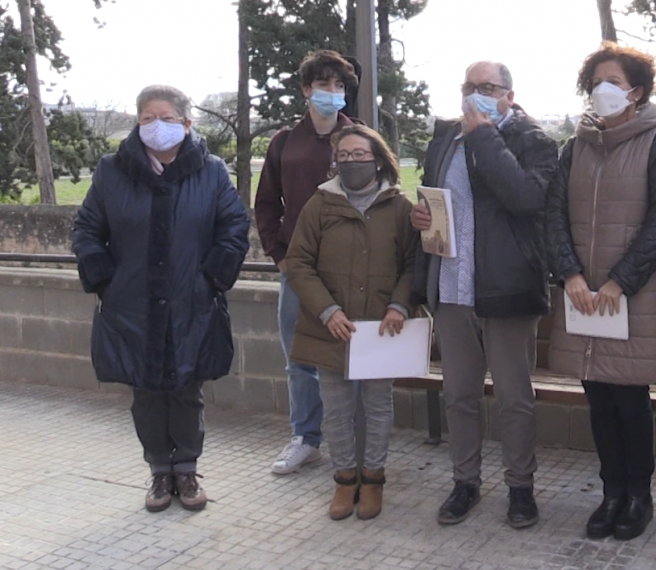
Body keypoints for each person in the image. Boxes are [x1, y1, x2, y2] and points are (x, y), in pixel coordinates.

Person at [71, 85, 250, 513]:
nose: (157, 126)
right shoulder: (112, 170)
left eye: (167, 118)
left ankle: (186, 471)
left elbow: (233, 228)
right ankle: (158, 472)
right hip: (132, 305)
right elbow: (87, 230)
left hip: (191, 302)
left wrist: (211, 279)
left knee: (187, 388)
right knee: (146, 392)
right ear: (137, 123)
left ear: (186, 124)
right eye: (148, 118)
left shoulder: (210, 171)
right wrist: (104, 281)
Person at [545, 42, 656, 542]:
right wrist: (570, 275)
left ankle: (638, 495)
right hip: (582, 294)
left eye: (612, 81)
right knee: (597, 396)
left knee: (630, 399)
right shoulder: (575, 146)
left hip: (632, 296)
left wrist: (619, 281)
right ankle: (610, 492)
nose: (602, 90)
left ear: (637, 90)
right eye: (596, 81)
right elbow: (554, 216)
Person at [410, 61, 559, 529]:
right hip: (452, 288)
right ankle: (465, 481)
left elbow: (525, 199)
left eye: (487, 87)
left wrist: (484, 136)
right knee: (459, 394)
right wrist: (423, 218)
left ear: (509, 95)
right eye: (469, 86)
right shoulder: (444, 141)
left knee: (515, 396)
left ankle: (520, 487)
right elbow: (438, 202)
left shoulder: (534, 141)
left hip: (507, 288)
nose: (476, 93)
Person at [285, 125, 418, 520]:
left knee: (377, 407)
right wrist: (327, 310)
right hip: (331, 328)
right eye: (344, 155)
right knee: (337, 408)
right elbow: (299, 263)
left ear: (378, 159)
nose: (352, 161)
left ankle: (374, 479)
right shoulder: (320, 205)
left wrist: (399, 305)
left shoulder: (400, 207)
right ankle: (344, 480)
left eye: (360, 154)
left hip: (380, 328)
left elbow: (412, 265)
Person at [254, 50, 359, 476]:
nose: (331, 93)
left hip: (350, 269)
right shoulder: (284, 143)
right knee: (298, 357)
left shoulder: (360, 139)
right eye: (323, 85)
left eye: (338, 86)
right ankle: (305, 437)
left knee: (348, 355)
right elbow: (265, 205)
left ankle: (350, 440)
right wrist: (280, 257)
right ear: (305, 90)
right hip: (297, 270)